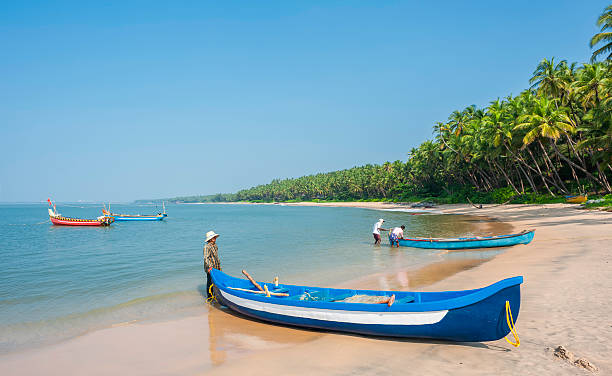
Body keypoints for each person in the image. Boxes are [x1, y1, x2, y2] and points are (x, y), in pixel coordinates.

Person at [203, 230, 221, 299]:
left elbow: (216, 257)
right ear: (210, 239)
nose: (215, 238)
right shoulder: (206, 247)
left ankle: (215, 296)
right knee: (210, 282)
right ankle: (210, 297)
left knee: (216, 282)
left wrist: (219, 267)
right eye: (213, 237)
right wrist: (210, 267)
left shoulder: (215, 245)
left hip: (216, 267)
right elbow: (206, 258)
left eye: (215, 237)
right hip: (210, 268)